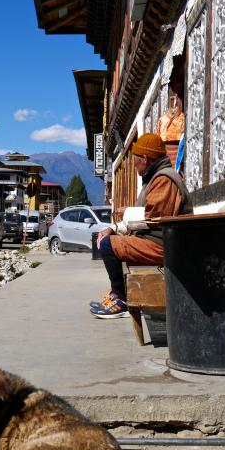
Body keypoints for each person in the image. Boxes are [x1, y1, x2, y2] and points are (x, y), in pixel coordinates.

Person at [90, 133, 193, 319]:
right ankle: (117, 292)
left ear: (145, 159)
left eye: (136, 160)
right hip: (155, 241)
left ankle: (122, 300)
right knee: (111, 239)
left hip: (165, 246)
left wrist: (127, 213)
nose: (134, 165)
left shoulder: (164, 179)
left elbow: (156, 217)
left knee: (108, 246)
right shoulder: (154, 178)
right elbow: (147, 213)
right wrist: (114, 227)